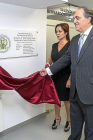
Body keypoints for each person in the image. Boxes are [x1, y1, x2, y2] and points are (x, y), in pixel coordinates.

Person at [40, 6, 93, 140]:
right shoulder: (75, 40)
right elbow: (65, 59)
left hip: (90, 92)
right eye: (74, 18)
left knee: (90, 130)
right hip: (74, 93)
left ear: (88, 19)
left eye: (77, 18)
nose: (74, 20)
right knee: (75, 127)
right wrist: (47, 70)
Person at [46, 23, 71, 132]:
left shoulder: (71, 45)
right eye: (56, 31)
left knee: (66, 100)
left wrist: (70, 78)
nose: (57, 33)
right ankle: (57, 118)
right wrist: (47, 64)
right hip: (55, 75)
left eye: (60, 31)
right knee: (56, 99)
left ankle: (69, 120)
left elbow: (74, 63)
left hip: (66, 76)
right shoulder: (54, 45)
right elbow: (50, 59)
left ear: (66, 32)